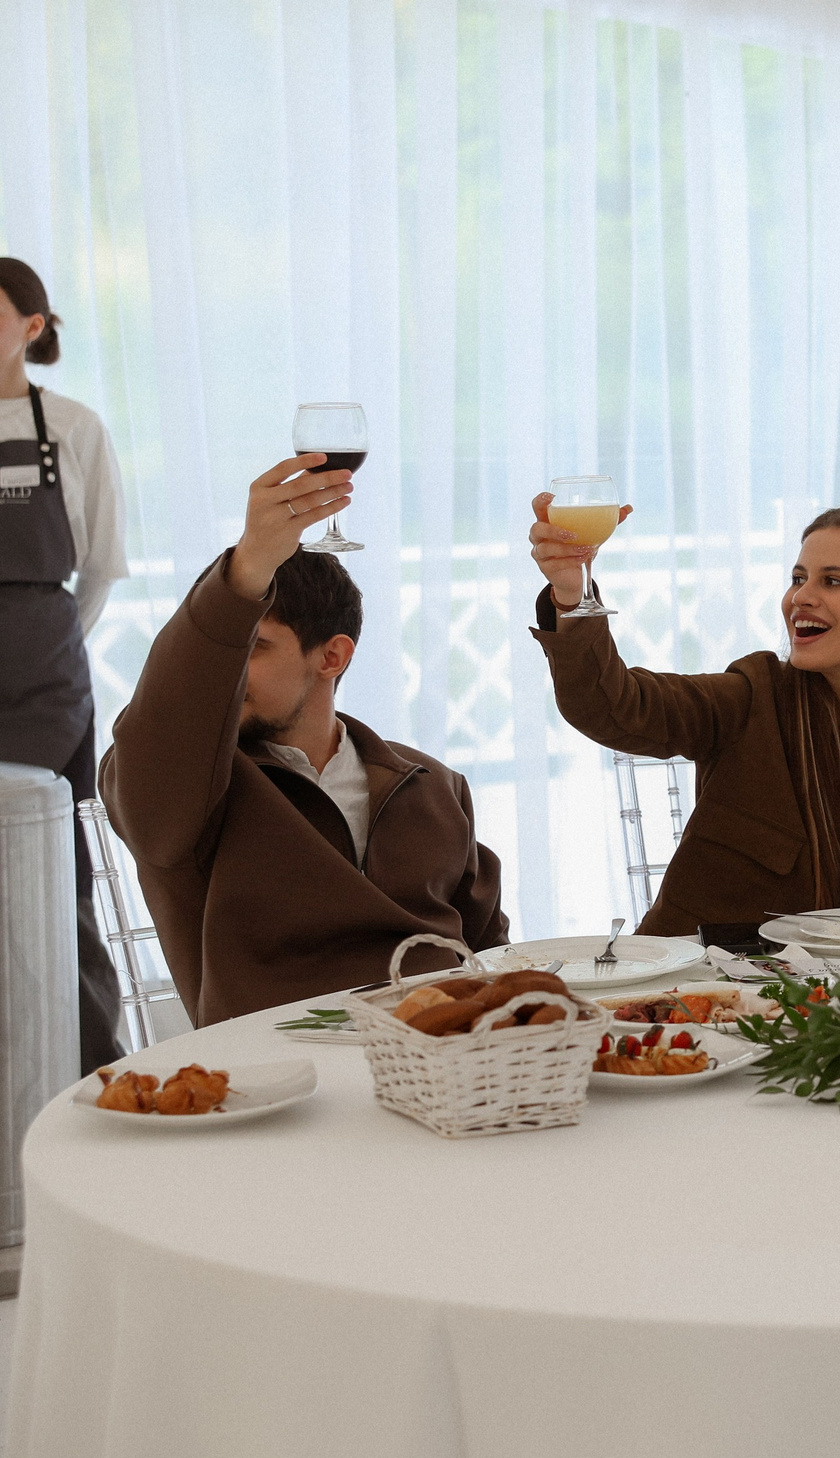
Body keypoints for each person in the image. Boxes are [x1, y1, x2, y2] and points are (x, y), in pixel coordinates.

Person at [102, 458, 509, 1025]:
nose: (227, 675)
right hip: (280, 1058)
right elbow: (164, 727)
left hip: (442, 1050)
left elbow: (493, 957)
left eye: (254, 648)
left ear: (331, 656)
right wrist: (247, 569)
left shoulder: (433, 785)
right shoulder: (189, 792)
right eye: (222, 653)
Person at [528, 497, 840, 931]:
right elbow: (613, 707)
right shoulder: (751, 699)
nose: (800, 597)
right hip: (709, 985)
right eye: (798, 578)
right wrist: (572, 593)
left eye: (832, 581)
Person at [1, 257, 132, 1072]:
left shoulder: (74, 427)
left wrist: (48, 639)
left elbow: (103, 567)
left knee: (55, 874)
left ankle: (89, 1066)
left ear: (33, 326)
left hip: (45, 687)